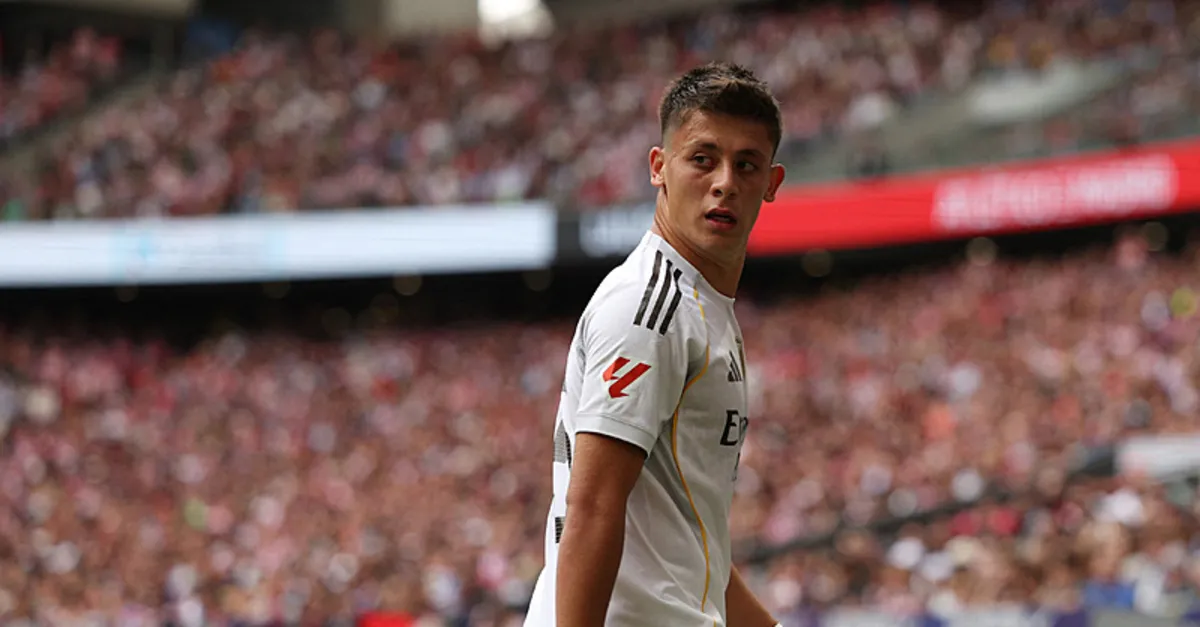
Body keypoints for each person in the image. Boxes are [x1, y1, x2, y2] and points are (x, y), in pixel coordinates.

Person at [523, 62, 787, 627]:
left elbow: (692, 548)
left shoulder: (702, 308)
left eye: (746, 165)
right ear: (659, 167)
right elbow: (593, 506)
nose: (724, 182)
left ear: (771, 183)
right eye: (703, 159)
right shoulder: (652, 309)